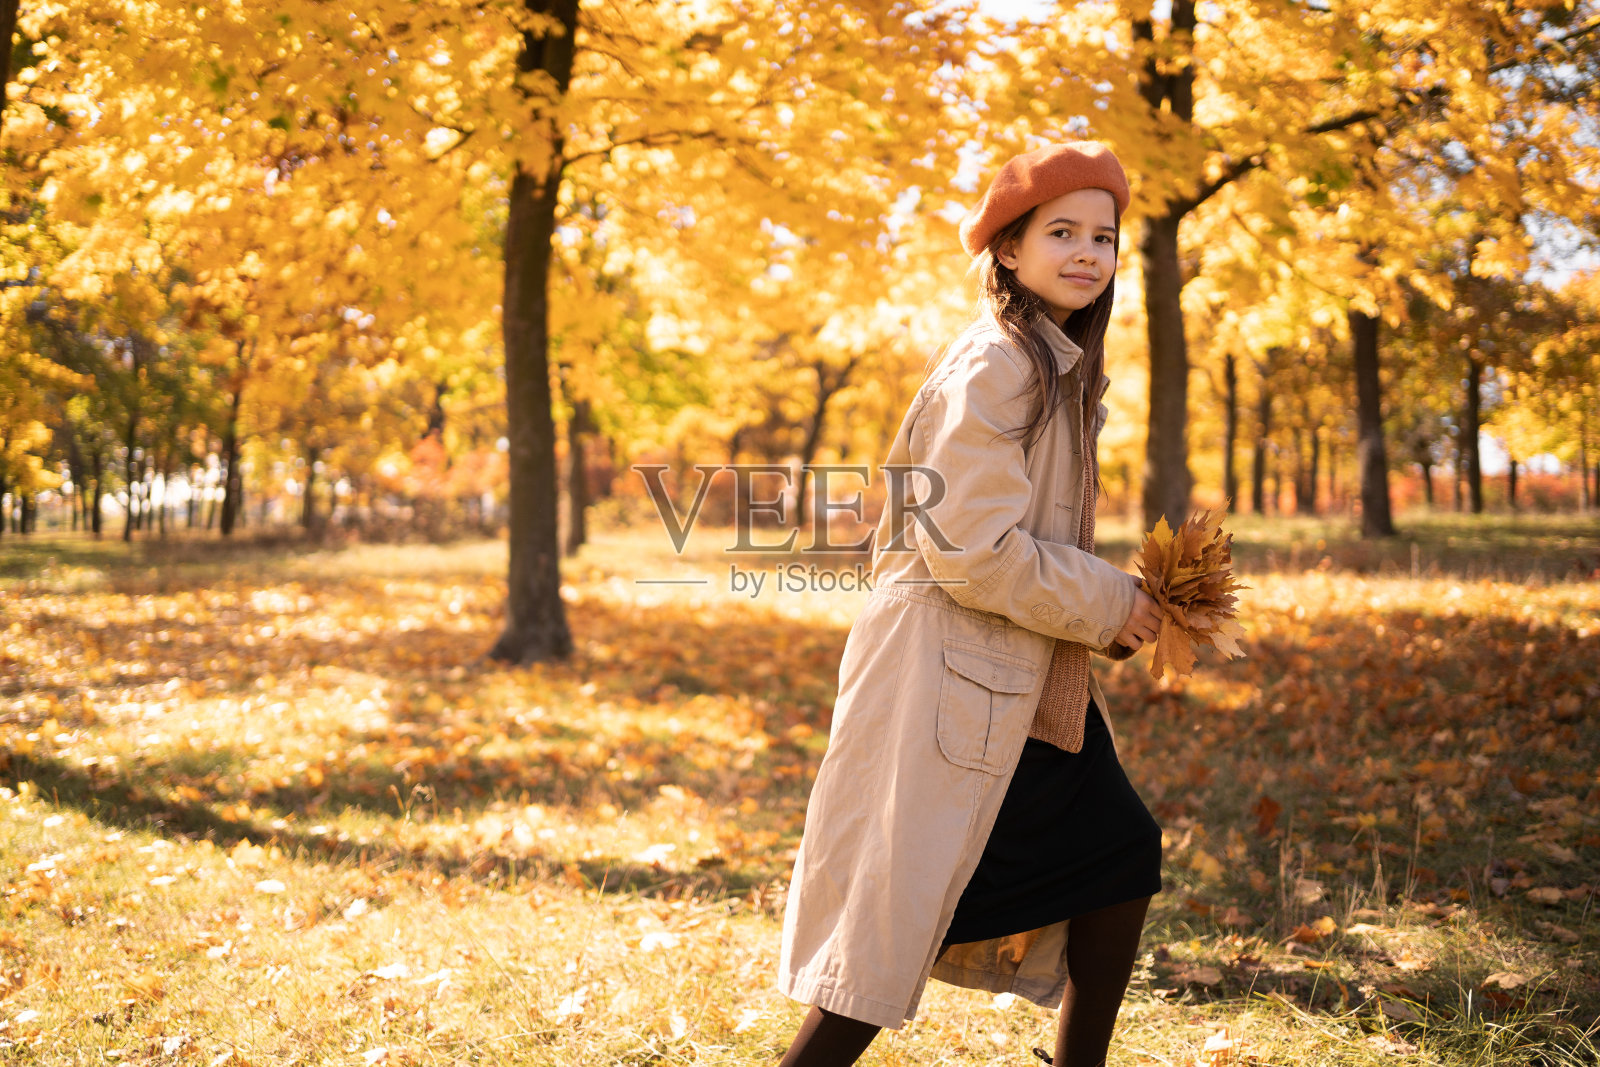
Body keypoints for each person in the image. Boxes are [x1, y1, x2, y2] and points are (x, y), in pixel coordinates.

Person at [774, 141, 1167, 1067]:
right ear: (1009, 251)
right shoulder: (998, 365)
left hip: (1012, 674)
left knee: (1116, 854)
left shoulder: (1053, 364)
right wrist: (1107, 601)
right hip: (954, 674)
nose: (1087, 252)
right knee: (898, 913)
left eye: (1103, 236)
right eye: (1061, 232)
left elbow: (1014, 536)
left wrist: (1106, 615)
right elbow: (974, 551)